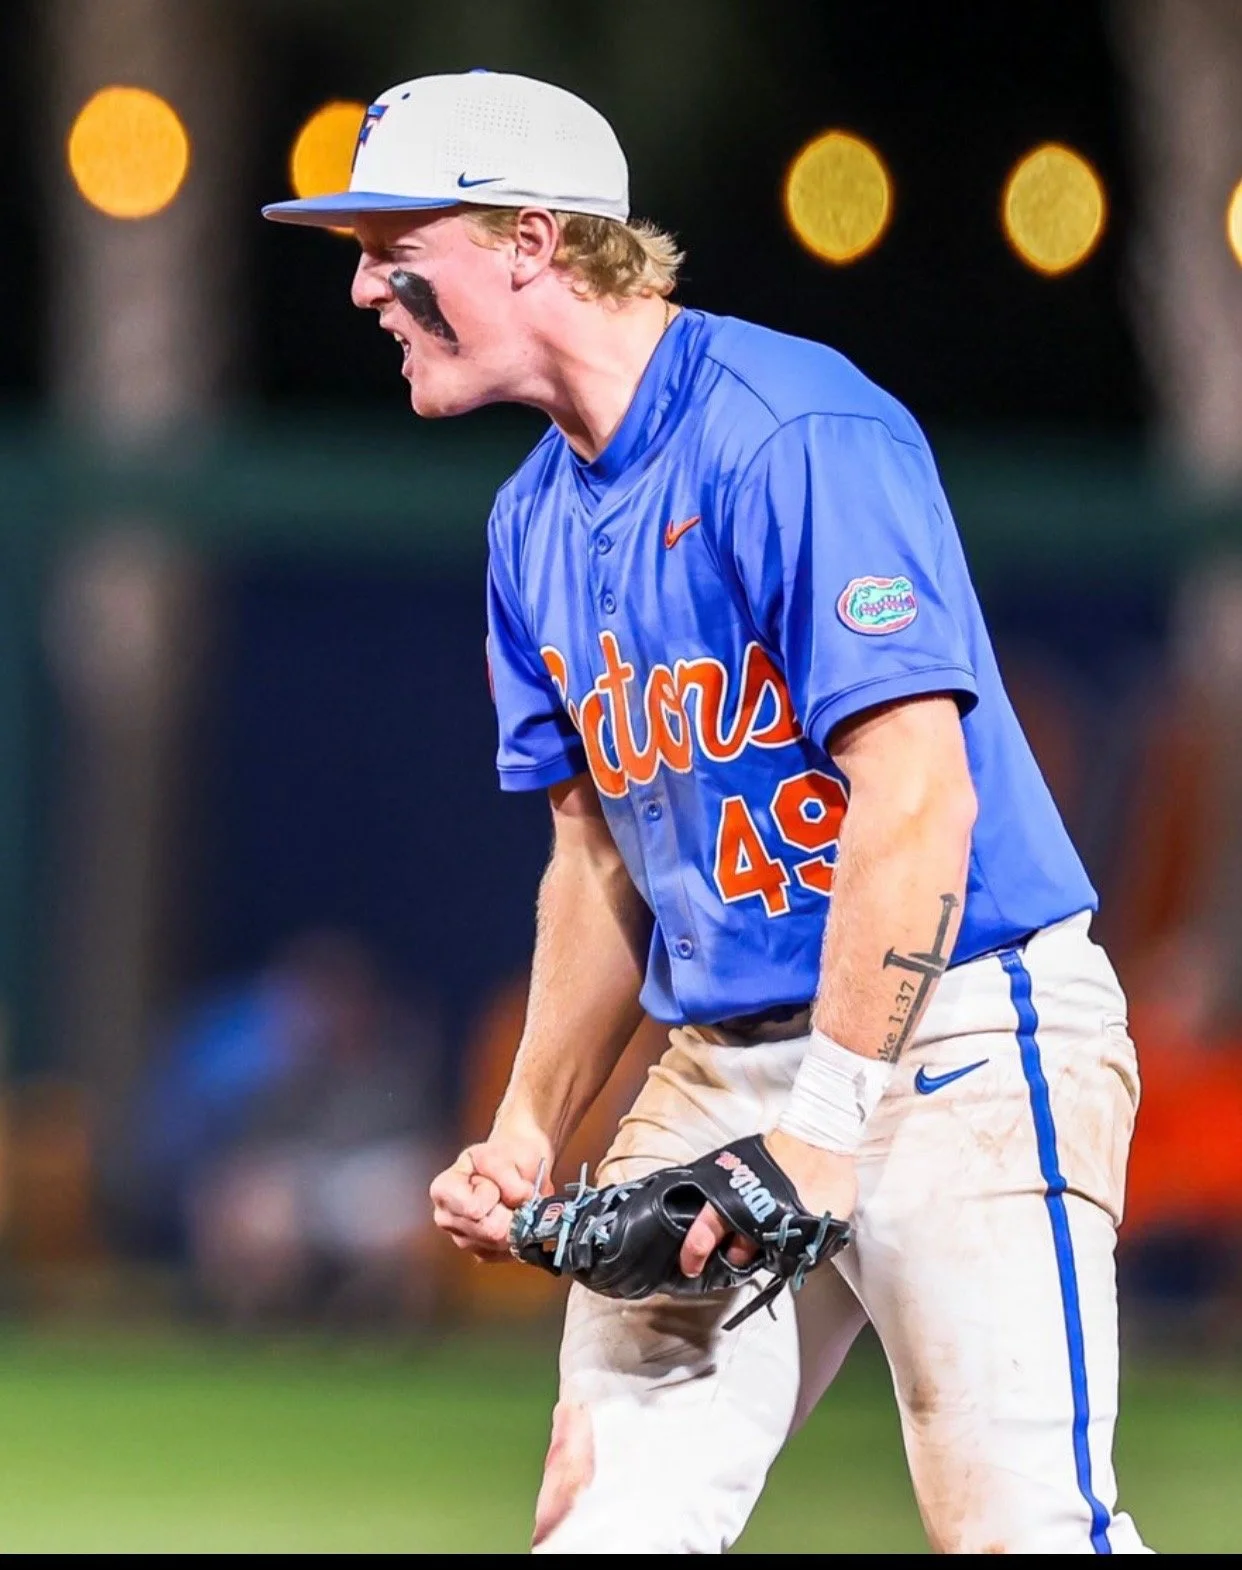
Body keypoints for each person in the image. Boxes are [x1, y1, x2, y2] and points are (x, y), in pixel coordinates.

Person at [263, 70, 1148, 1553]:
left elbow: (915, 796)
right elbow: (597, 861)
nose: (361, 287)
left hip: (963, 1036)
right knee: (606, 1525)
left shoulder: (791, 428)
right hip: (728, 1058)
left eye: (390, 241)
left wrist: (824, 1128)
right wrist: (528, 1130)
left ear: (532, 238)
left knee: (1021, 1528)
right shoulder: (531, 519)